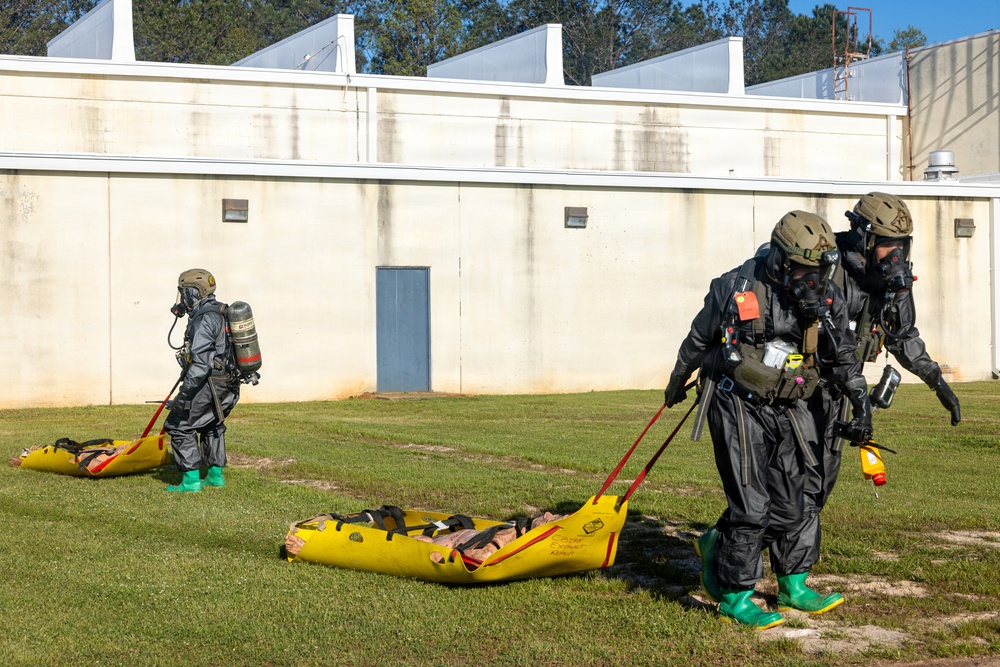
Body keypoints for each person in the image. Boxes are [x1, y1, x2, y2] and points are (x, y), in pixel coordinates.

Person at [663, 211, 872, 629]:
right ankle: (735, 595)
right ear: (781, 258)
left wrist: (862, 404)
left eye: (819, 269)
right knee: (752, 503)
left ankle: (793, 583)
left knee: (797, 498)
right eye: (804, 269)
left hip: (789, 403)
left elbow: (843, 356)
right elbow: (699, 337)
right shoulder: (735, 287)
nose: (812, 278)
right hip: (737, 402)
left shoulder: (823, 297)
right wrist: (676, 380)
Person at [792, 192, 961, 600]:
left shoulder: (890, 280)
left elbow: (902, 335)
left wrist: (936, 380)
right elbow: (836, 349)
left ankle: (792, 574)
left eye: (902, 246)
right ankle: (781, 575)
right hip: (798, 389)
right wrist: (860, 398)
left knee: (818, 487)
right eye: (888, 244)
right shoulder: (827, 268)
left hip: (839, 395)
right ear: (865, 238)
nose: (895, 255)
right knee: (791, 482)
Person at [163, 269, 240, 493]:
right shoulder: (222, 311)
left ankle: (191, 482)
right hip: (228, 384)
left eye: (183, 293)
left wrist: (183, 396)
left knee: (178, 424)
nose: (182, 299)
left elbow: (200, 365)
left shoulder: (204, 320)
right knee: (211, 422)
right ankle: (215, 476)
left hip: (209, 384)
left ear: (194, 293)